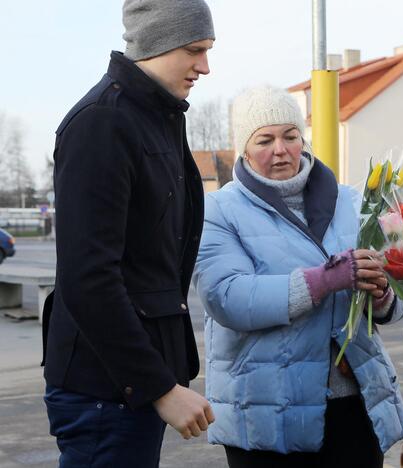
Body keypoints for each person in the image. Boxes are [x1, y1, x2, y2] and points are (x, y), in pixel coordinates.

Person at [193, 85, 403, 467]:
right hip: (266, 414)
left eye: (290, 136)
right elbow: (228, 297)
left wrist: (382, 296)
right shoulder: (218, 210)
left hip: (353, 405)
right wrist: (324, 280)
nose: (281, 149)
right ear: (243, 148)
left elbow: (400, 291)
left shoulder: (353, 201)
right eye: (265, 139)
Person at [42, 1, 216, 465]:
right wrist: (158, 387)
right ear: (157, 42)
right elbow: (87, 278)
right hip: (103, 391)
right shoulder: (103, 122)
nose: (205, 66)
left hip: (128, 386)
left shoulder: (156, 118)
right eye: (194, 50)